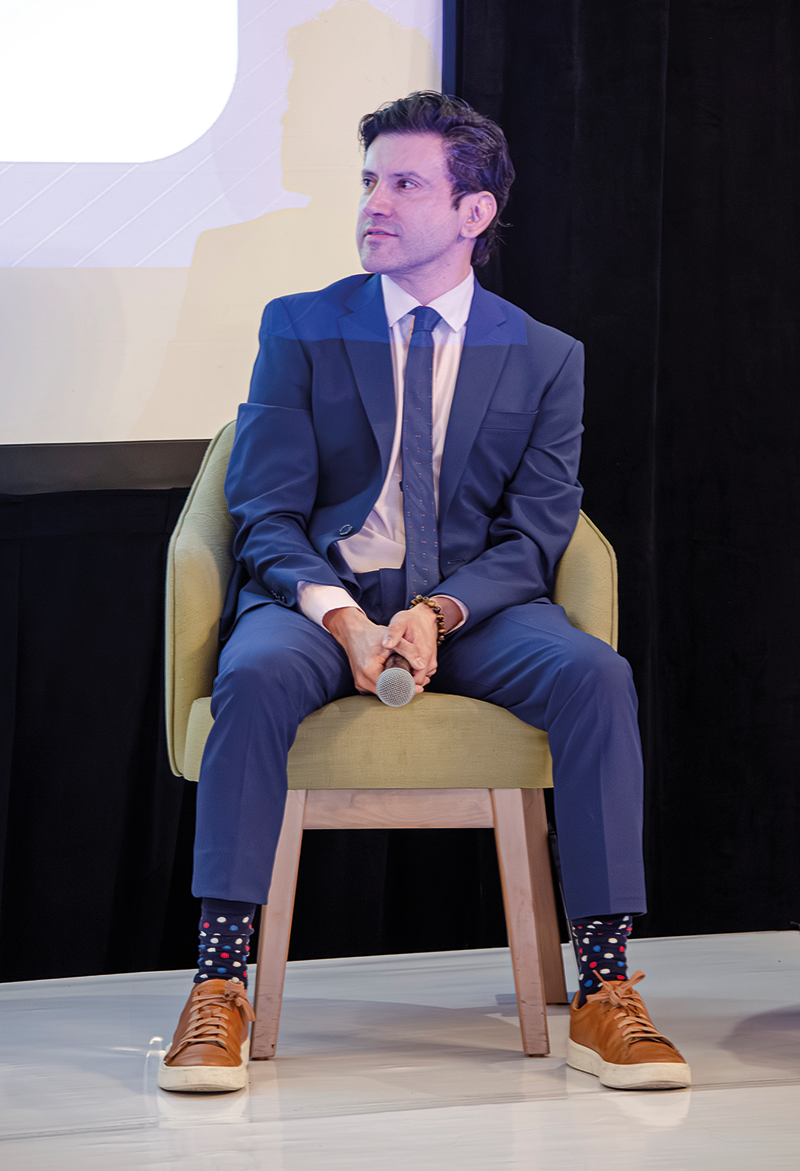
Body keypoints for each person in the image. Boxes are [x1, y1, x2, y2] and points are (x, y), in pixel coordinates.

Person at [158, 92, 690, 1095]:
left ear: (473, 214)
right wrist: (346, 615)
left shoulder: (544, 356)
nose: (374, 202)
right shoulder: (302, 327)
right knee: (257, 671)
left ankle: (604, 989)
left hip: (472, 610)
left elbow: (537, 530)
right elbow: (262, 509)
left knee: (594, 676)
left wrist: (439, 612)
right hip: (321, 600)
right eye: (369, 180)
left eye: (403, 182)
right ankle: (218, 981)